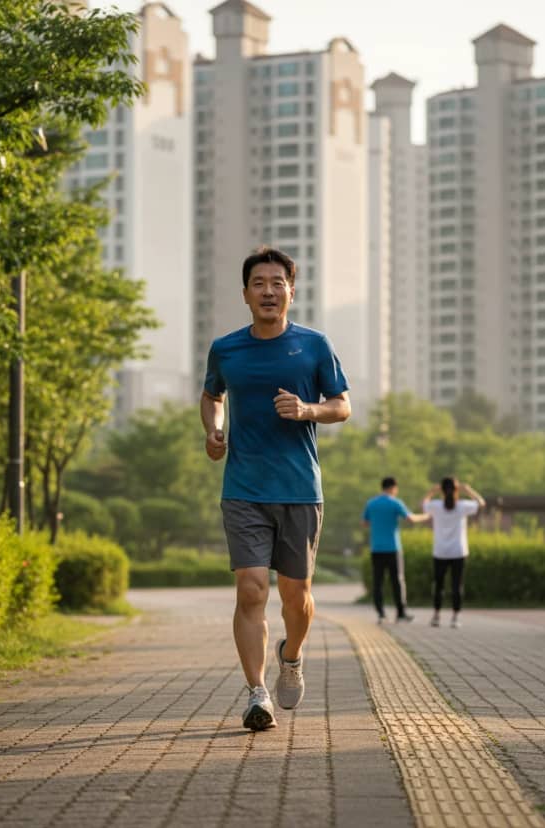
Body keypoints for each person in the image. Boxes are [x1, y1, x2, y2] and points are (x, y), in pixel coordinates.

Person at [201, 246, 351, 732]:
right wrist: (214, 429)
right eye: (259, 283)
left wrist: (307, 410)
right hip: (244, 487)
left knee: (296, 595)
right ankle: (256, 692)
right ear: (244, 293)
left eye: (277, 282)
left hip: (300, 489)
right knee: (251, 588)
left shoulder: (314, 345)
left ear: (291, 290)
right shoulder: (226, 349)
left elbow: (342, 405)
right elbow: (211, 396)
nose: (268, 291)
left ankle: (292, 655)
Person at [362, 477, 430, 624]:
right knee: (398, 581)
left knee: (378, 582)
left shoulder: (371, 503)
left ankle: (381, 614)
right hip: (393, 548)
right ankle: (401, 613)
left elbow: (365, 523)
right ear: (393, 488)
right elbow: (410, 519)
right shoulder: (395, 503)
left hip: (376, 548)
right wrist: (426, 516)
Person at [423, 477, 486, 629]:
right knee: (457, 585)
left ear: (442, 490)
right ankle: (455, 617)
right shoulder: (463, 506)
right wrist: (468, 489)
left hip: (440, 551)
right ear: (456, 490)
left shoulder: (436, 506)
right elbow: (481, 503)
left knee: (438, 585)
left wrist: (432, 491)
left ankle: (436, 616)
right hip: (458, 551)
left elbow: (423, 504)